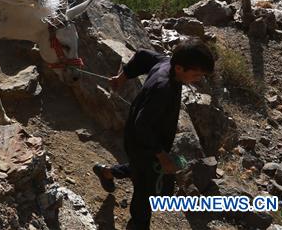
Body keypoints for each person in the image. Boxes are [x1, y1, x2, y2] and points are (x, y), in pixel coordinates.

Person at [92, 43, 215, 230]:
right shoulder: (163, 88)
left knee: (143, 169)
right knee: (145, 192)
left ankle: (106, 172)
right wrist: (163, 157)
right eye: (196, 74)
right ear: (180, 68)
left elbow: (142, 56)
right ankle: (138, 225)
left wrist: (122, 77)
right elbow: (142, 126)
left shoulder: (167, 63)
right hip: (141, 141)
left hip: (148, 138)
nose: (198, 79)